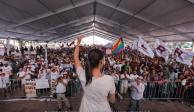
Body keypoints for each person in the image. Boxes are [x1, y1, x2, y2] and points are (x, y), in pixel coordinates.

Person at [74, 36, 116, 112]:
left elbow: (76, 59)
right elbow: (112, 100)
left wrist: (78, 43)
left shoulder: (84, 75)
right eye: (104, 59)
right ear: (101, 61)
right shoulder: (109, 79)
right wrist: (105, 98)